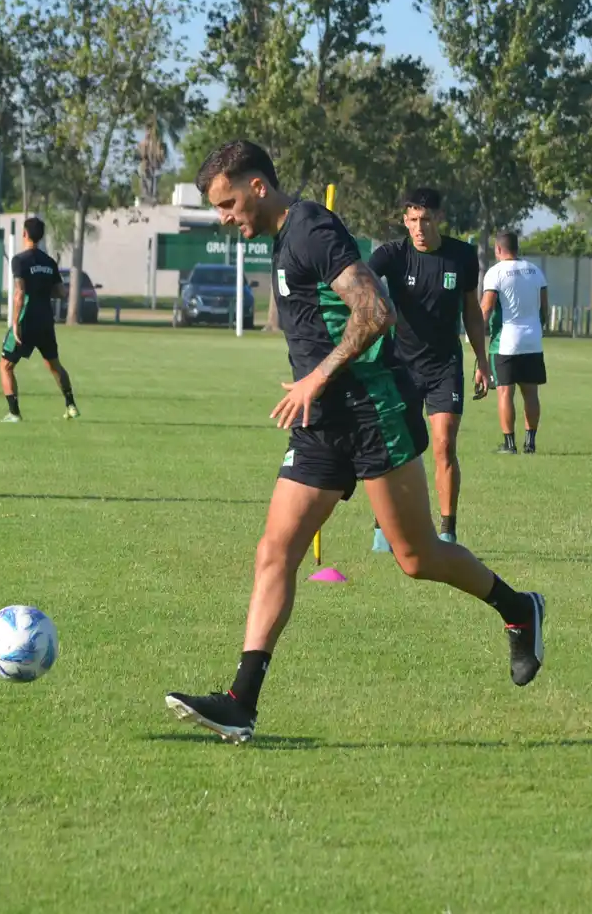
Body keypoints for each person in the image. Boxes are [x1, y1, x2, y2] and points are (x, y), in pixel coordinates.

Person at [165, 141, 545, 744]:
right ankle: (241, 701)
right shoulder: (279, 240)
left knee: (416, 558)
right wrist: (314, 380)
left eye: (229, 203)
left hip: (373, 412)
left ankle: (518, 609)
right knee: (274, 552)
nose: (226, 217)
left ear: (258, 186)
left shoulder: (312, 228)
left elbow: (374, 313)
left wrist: (316, 377)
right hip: (322, 423)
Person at [366, 188, 489, 547]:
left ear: (438, 218)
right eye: (412, 220)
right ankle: (383, 526)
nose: (419, 227)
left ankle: (447, 531)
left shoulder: (462, 256)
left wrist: (482, 360)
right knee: (396, 447)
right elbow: (360, 283)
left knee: (443, 444)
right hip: (400, 365)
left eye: (426, 219)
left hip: (444, 365)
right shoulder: (392, 254)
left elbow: (471, 310)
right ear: (405, 220)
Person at [0, 217, 78, 422]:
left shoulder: (19, 260)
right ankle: (71, 405)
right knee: (54, 365)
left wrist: (15, 323)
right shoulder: (50, 262)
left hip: (26, 320)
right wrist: (42, 289)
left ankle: (14, 413)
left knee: (5, 366)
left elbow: (19, 293)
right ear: (41, 236)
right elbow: (61, 292)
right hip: (45, 321)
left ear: (25, 234)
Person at [480, 231, 547, 454]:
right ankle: (531, 443)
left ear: (498, 249)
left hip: (507, 341)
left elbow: (487, 307)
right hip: (532, 340)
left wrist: (476, 332)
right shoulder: (535, 271)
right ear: (517, 248)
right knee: (530, 393)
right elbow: (544, 308)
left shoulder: (495, 272)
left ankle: (509, 444)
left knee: (505, 393)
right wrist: (538, 329)